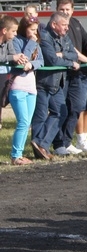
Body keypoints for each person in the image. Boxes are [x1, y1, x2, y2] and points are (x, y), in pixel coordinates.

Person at [53, 0, 87, 156]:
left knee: (78, 107)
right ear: (57, 10)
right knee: (67, 108)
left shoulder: (75, 23)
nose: (65, 12)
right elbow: (70, 48)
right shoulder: (58, 26)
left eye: (67, 9)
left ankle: (69, 141)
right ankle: (62, 142)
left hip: (79, 72)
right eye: (61, 9)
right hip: (66, 73)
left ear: (73, 10)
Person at [31, 13, 80, 160]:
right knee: (40, 117)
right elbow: (52, 60)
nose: (67, 28)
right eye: (64, 25)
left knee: (61, 112)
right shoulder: (44, 37)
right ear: (54, 25)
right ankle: (39, 149)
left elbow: (74, 54)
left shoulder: (64, 37)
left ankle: (41, 144)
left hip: (57, 83)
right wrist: (70, 63)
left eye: (67, 25)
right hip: (43, 83)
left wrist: (62, 54)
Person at [7, 17, 42, 165]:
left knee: (27, 124)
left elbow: (41, 61)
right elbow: (22, 59)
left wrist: (32, 65)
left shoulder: (36, 42)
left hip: (31, 87)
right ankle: (16, 156)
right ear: (24, 28)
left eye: (36, 30)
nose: (34, 32)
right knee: (23, 121)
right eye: (31, 29)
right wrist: (32, 43)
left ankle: (19, 154)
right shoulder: (15, 41)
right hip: (18, 86)